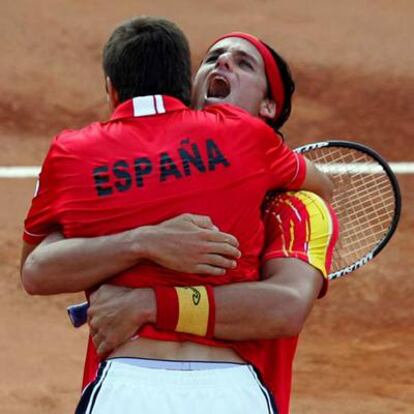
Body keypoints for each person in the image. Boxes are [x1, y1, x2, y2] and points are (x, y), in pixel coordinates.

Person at [21, 19, 335, 414]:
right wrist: (145, 240)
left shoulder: (299, 209)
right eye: (213, 58)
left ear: (269, 105)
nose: (223, 66)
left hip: (164, 386)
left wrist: (149, 303)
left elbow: (284, 307)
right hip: (216, 391)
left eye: (244, 63)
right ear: (187, 85)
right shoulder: (233, 144)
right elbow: (40, 268)